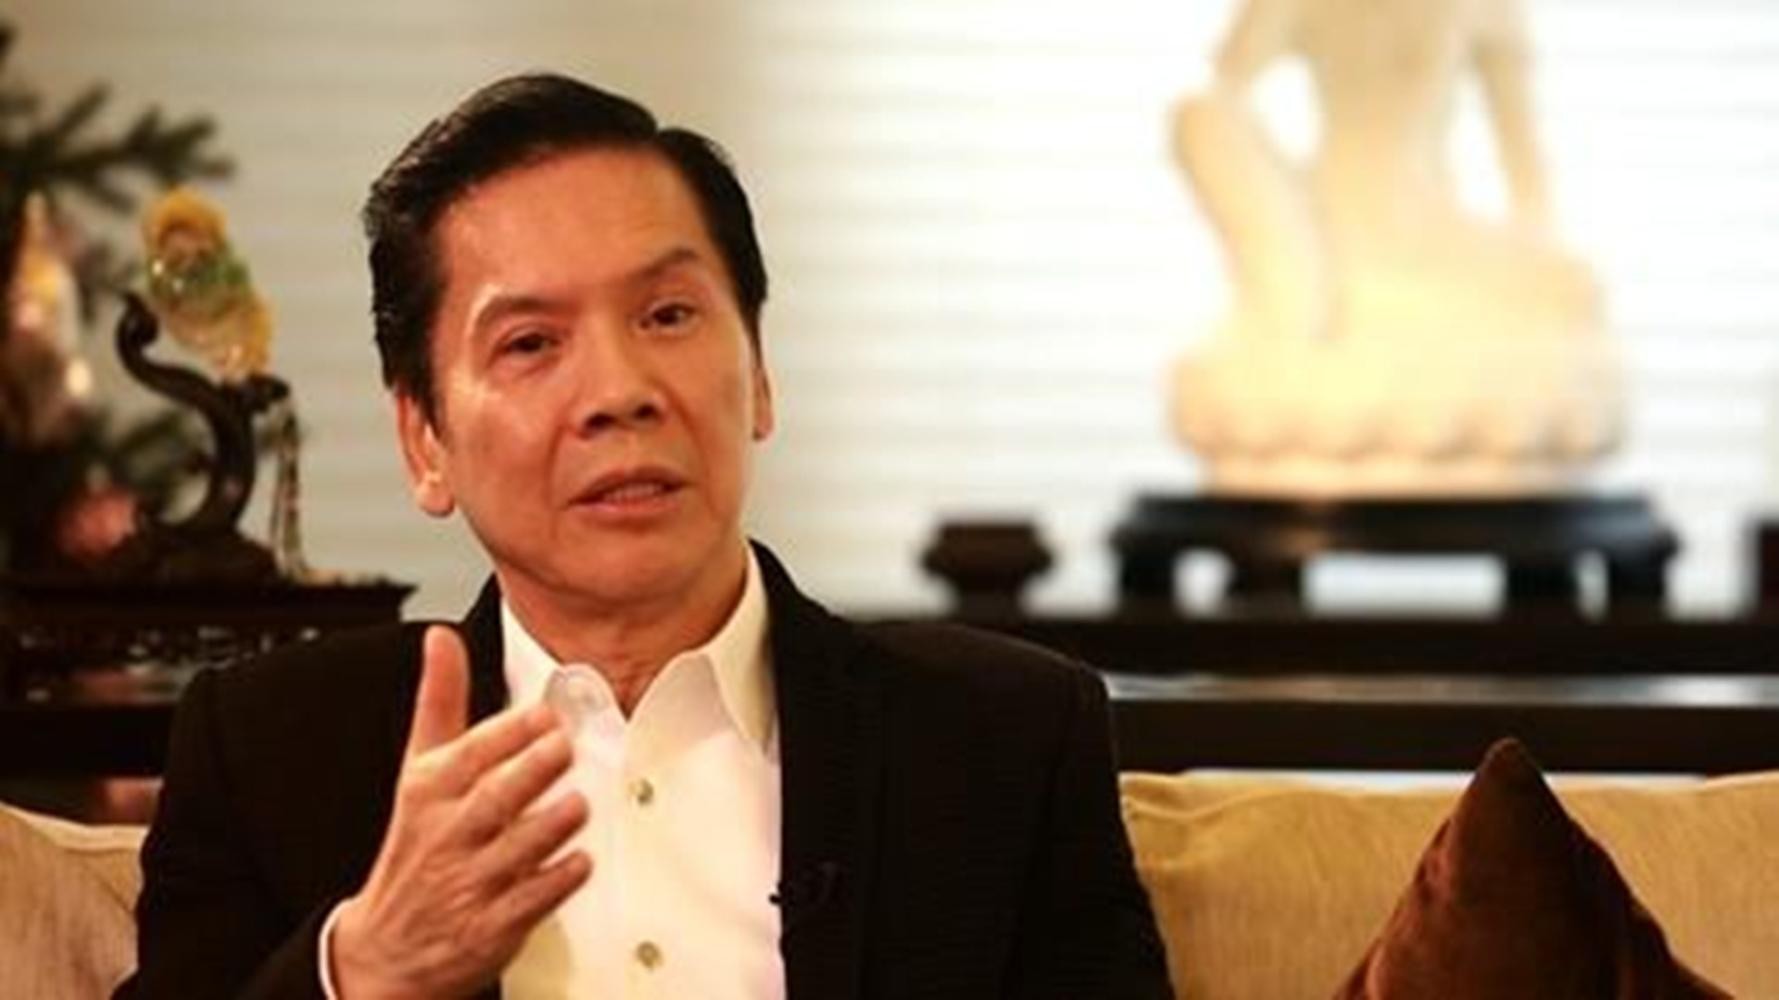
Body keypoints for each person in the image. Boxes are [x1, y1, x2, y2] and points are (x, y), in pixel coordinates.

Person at [118, 73, 1170, 999]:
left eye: (667, 315)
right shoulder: (271, 751)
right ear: (424, 439)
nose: (619, 391)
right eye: (530, 343)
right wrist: (364, 971)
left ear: (759, 373)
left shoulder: (1005, 739)